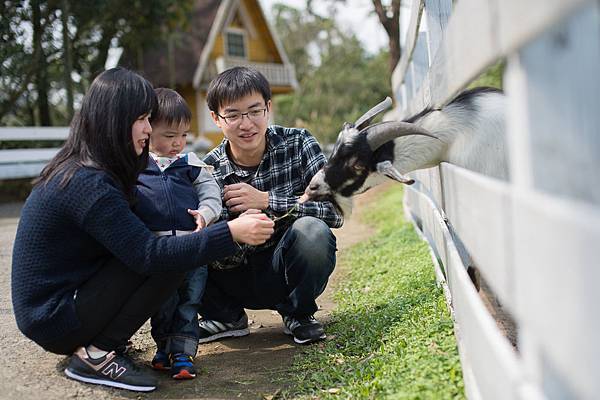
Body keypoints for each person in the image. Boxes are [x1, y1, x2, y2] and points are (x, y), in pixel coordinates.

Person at [11, 67, 274, 393]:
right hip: (55, 318)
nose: (149, 129)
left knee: (169, 252)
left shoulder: (91, 167)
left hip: (66, 303)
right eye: (142, 118)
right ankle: (97, 353)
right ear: (115, 120)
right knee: (166, 257)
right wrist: (230, 232)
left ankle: (102, 343)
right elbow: (147, 256)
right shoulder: (87, 182)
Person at [198, 66, 344, 345]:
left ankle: (299, 313)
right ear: (217, 118)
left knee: (312, 231)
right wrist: (236, 229)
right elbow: (206, 246)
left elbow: (335, 210)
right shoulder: (208, 170)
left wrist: (267, 200)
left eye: (254, 111)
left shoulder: (299, 143)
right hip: (235, 276)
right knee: (183, 236)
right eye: (233, 115)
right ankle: (225, 317)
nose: (247, 123)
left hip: (284, 267)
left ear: (268, 107)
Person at [133, 88, 220, 380]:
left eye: (184, 135)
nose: (178, 143)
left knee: (189, 301)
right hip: (158, 251)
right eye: (169, 135)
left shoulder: (190, 164)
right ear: (149, 129)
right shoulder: (138, 168)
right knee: (161, 302)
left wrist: (206, 214)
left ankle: (183, 353)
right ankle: (163, 347)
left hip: (192, 247)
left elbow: (211, 192)